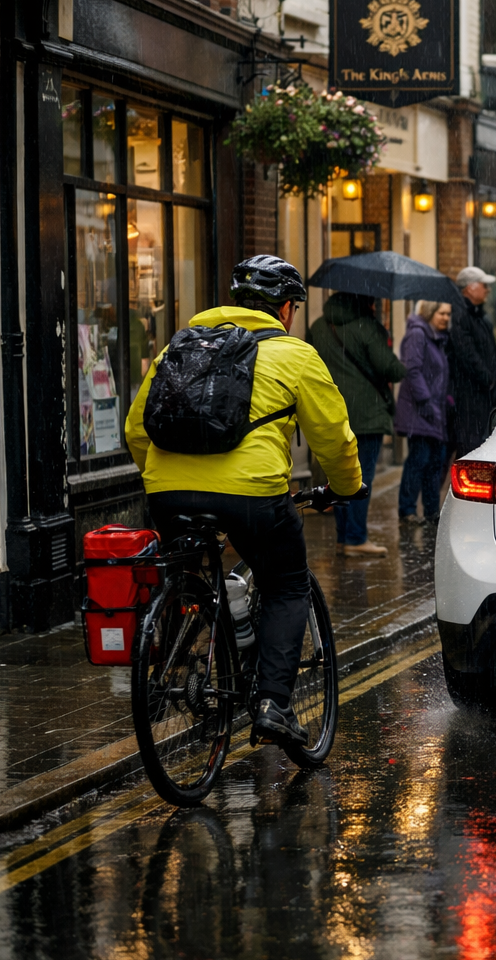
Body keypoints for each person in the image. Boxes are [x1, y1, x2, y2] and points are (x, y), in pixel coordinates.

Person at [125, 255, 366, 747]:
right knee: (286, 583)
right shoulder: (294, 354)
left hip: (167, 490)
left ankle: (165, 670)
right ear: (285, 309)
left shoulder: (180, 345)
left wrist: (166, 477)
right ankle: (274, 704)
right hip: (253, 493)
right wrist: (345, 488)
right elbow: (334, 438)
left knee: (184, 571)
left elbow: (136, 427)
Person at [308, 291, 407, 557]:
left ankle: (344, 537)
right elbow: (391, 369)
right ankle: (355, 538)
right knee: (361, 479)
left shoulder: (318, 326)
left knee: (340, 477)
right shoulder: (367, 326)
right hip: (366, 415)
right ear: (365, 302)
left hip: (331, 412)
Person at [393, 300, 451, 524]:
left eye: (448, 314)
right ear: (429, 313)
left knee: (435, 461)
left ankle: (431, 511)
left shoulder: (436, 338)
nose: (446, 318)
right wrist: (426, 401)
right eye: (441, 313)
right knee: (419, 459)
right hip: (419, 411)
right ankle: (407, 510)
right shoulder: (418, 335)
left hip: (434, 411)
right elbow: (413, 370)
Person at [448, 265, 496, 461]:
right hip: (469, 398)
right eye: (483, 285)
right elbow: (467, 354)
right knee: (468, 450)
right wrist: (488, 380)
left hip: (479, 396)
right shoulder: (462, 315)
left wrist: (494, 382)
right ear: (470, 288)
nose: (487, 290)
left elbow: (487, 353)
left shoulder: (478, 315)